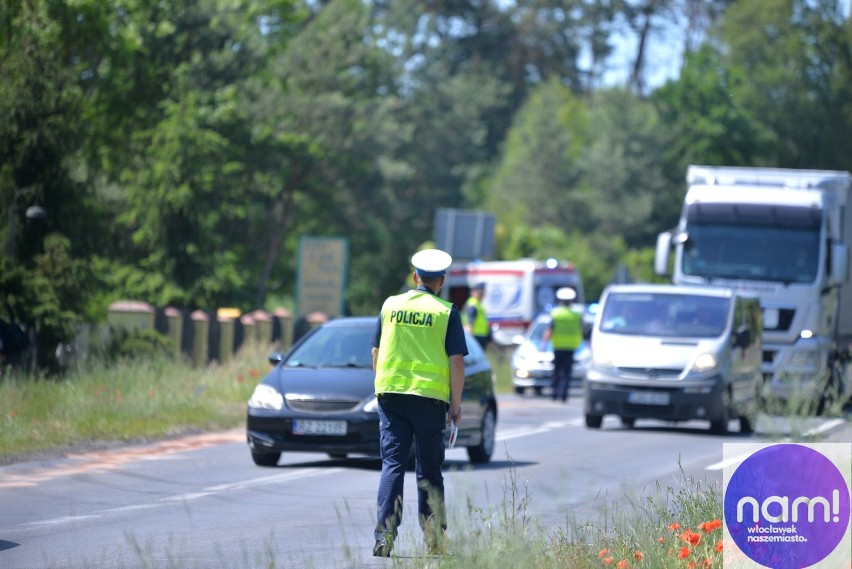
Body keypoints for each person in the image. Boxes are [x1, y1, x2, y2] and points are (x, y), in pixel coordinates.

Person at [371, 248, 467, 558]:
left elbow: (375, 352)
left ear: (415, 277)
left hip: (391, 396)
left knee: (393, 466)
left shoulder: (390, 306)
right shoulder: (446, 312)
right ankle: (434, 541)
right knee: (428, 471)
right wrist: (456, 406)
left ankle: (384, 537)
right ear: (442, 280)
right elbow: (457, 363)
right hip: (428, 401)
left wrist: (384, 385)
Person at [541, 287, 583, 403]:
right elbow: (582, 330)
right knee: (567, 372)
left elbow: (549, 330)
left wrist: (544, 345)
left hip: (557, 346)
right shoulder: (576, 315)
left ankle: (554, 393)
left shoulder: (556, 313)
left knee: (556, 371)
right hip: (571, 347)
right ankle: (564, 394)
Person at [462, 282, 491, 350]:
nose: (482, 295)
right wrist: (470, 339)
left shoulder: (478, 303)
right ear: (473, 292)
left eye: (483, 293)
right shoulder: (473, 304)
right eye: (480, 293)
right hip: (475, 336)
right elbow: (469, 324)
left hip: (480, 336)